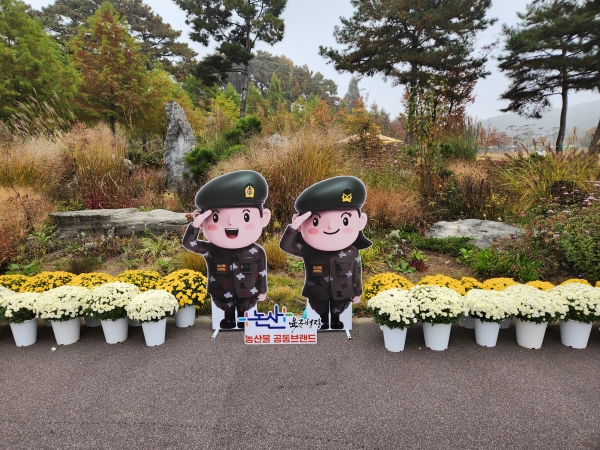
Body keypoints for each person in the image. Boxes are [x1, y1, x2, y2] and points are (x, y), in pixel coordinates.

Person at [182, 170, 271, 329]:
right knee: (227, 306)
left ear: (263, 218)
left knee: (244, 306)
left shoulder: (257, 251)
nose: (230, 222)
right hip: (221, 291)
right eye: (215, 217)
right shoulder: (211, 249)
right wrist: (195, 225)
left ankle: (243, 320)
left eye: (246, 216)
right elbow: (189, 243)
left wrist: (262, 290)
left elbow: (262, 273)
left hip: (248, 291)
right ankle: (229, 320)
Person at [279, 176, 371, 330]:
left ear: (360, 221)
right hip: (317, 291)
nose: (330, 226)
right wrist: (294, 228)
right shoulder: (309, 250)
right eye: (316, 221)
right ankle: (322, 320)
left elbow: (357, 272)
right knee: (320, 308)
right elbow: (286, 246)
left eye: (345, 220)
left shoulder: (351, 251)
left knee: (338, 308)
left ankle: (335, 321)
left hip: (342, 292)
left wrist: (357, 291)